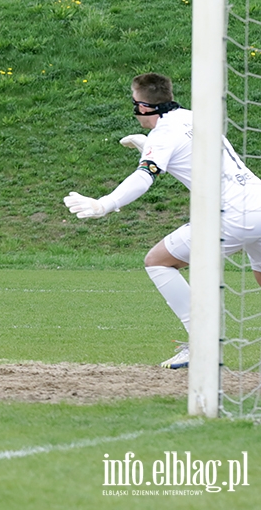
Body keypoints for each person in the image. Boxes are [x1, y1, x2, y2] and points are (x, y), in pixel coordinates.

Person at [64, 72, 261, 369]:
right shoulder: (193, 116)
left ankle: (202, 343)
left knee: (158, 261)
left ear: (142, 107)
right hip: (257, 200)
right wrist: (148, 146)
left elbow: (144, 178)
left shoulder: (164, 134)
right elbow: (192, 156)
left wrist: (105, 204)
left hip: (231, 216)